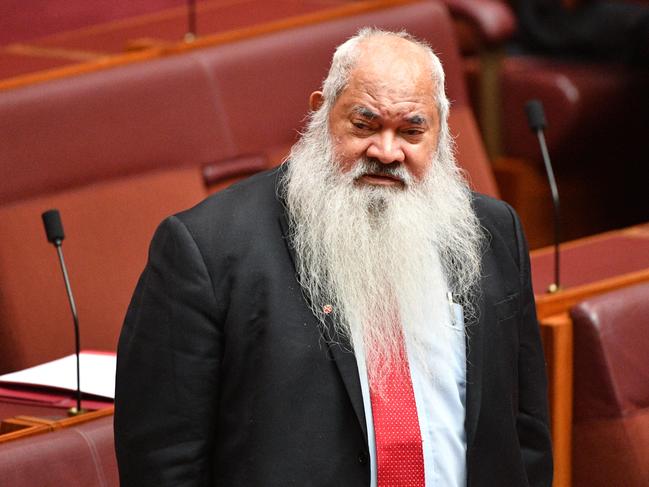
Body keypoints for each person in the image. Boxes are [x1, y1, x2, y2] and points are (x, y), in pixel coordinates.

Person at [114, 28, 553, 486]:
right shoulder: (208, 250)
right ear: (321, 111)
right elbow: (163, 461)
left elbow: (525, 431)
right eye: (364, 126)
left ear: (440, 130)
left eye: (410, 131)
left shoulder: (492, 232)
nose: (386, 151)